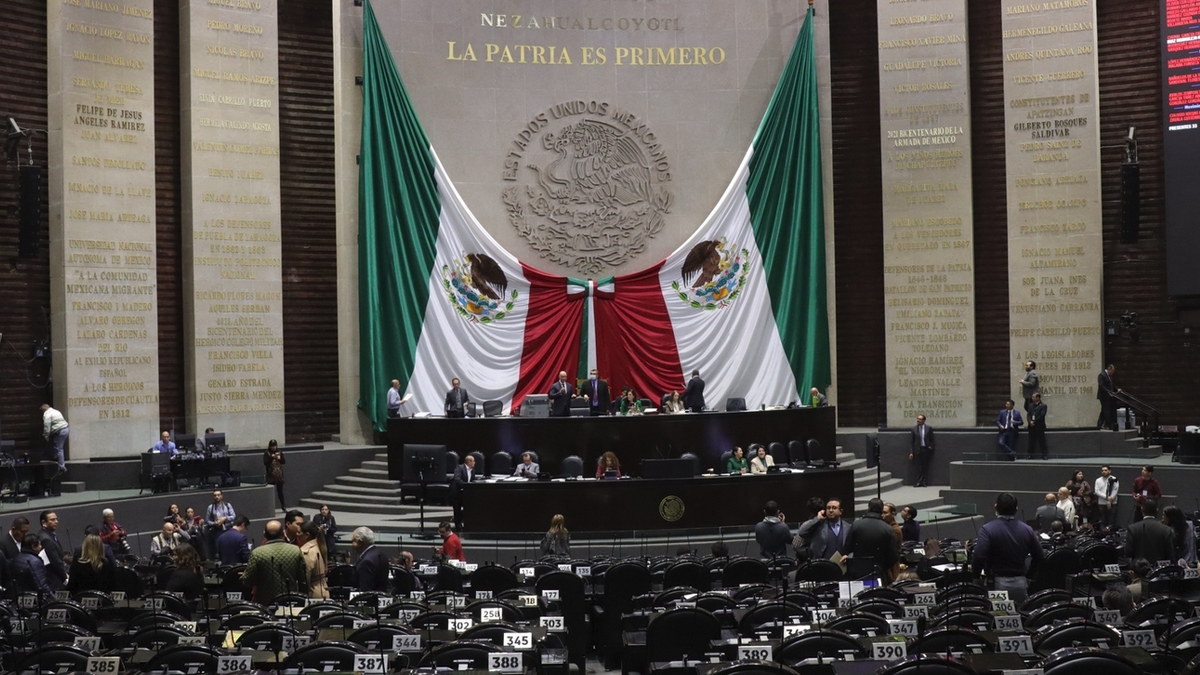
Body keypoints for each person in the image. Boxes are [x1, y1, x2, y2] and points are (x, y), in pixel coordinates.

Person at [972, 493, 1043, 605]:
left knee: (997, 615)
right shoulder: (1027, 529)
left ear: (995, 507)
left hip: (996, 584)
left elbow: (979, 556)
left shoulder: (987, 529)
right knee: (1020, 613)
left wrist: (976, 576)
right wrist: (1029, 576)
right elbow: (1039, 556)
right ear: (1016, 509)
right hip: (1020, 583)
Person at [243, 520, 308, 602]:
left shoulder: (257, 553)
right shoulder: (295, 550)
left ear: (265, 534)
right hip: (290, 600)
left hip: (265, 602)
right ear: (282, 533)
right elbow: (303, 579)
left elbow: (248, 581)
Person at [846, 498, 900, 582]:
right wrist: (883, 566)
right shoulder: (888, 529)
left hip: (859, 572)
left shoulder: (856, 525)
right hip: (879, 572)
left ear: (868, 508)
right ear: (881, 510)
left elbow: (847, 548)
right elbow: (893, 557)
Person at [352, 526, 389, 591]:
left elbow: (366, 590)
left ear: (360, 542)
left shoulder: (366, 562)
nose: (352, 544)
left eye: (353, 541)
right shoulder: (382, 554)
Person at [299, 520, 329, 598]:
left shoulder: (307, 551)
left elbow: (306, 577)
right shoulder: (319, 544)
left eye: (299, 532)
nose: (297, 534)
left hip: (313, 593)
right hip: (323, 589)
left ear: (307, 535)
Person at [37, 510, 66, 590]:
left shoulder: (49, 534)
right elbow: (55, 562)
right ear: (44, 522)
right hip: (54, 578)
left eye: (56, 519)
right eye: (52, 520)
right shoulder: (46, 539)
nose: (56, 522)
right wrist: (65, 576)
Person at [451, 455, 479, 530]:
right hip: (457, 493)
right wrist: (465, 485)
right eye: (473, 461)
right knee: (457, 509)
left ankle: (459, 520)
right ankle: (457, 526)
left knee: (469, 507)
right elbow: (457, 479)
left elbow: (473, 480)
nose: (475, 463)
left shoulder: (472, 470)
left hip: (465, 493)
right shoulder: (459, 468)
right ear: (469, 462)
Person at [41, 404, 69, 475]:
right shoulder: (56, 411)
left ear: (44, 410)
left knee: (59, 448)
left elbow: (47, 427)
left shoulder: (47, 414)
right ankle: (54, 457)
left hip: (59, 431)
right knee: (55, 445)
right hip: (66, 429)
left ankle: (62, 467)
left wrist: (46, 436)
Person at [206, 490, 236, 554]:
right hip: (217, 530)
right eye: (215, 495)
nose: (217, 497)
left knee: (230, 546)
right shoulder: (210, 507)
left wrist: (225, 518)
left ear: (222, 496)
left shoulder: (227, 505)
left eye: (218, 495)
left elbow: (233, 516)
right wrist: (214, 523)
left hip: (228, 528)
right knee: (219, 548)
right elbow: (207, 520)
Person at [909, 414, 935, 487]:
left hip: (926, 449)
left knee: (925, 466)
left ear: (924, 420)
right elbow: (911, 441)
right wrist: (911, 452)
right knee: (918, 466)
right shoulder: (914, 429)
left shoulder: (928, 428)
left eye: (920, 419)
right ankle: (918, 481)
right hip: (917, 450)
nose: (918, 420)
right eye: (918, 419)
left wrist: (930, 447)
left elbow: (932, 440)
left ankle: (924, 481)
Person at [264, 440, 286, 508]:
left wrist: (279, 458)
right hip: (271, 476)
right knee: (270, 492)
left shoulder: (279, 452)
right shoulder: (267, 453)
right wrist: (271, 457)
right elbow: (265, 463)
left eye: (274, 446)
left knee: (280, 492)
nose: (273, 447)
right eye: (272, 446)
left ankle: (283, 506)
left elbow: (284, 461)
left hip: (279, 475)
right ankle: (270, 506)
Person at [1096, 364, 1118, 431]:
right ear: (1109, 369)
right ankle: (1108, 425)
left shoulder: (1109, 376)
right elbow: (1102, 385)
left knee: (1104, 411)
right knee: (1106, 410)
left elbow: (1111, 385)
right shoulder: (1102, 375)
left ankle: (1100, 424)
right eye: (1112, 371)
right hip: (1103, 396)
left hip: (1109, 396)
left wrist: (1116, 390)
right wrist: (1108, 392)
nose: (1113, 373)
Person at [1027, 393, 1048, 459]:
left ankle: (1044, 454)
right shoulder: (1031, 405)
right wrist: (1030, 421)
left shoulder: (1043, 406)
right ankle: (1030, 454)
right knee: (1031, 441)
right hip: (1031, 427)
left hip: (1039, 426)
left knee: (1042, 441)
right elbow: (1028, 415)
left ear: (1038, 398)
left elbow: (1042, 415)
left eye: (1033, 397)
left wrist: (1034, 421)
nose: (1032, 398)